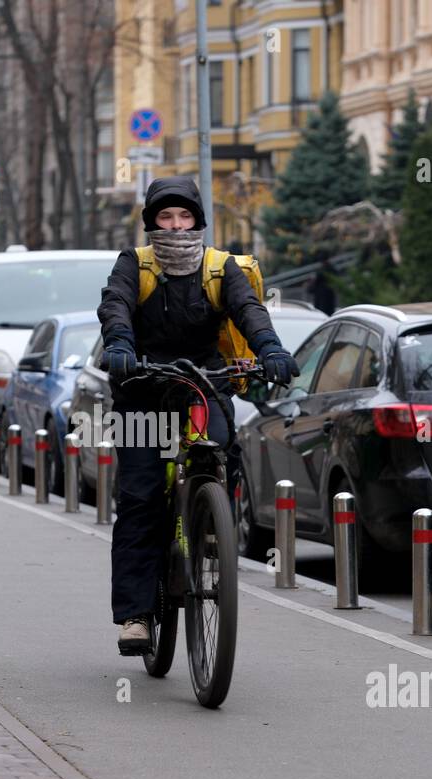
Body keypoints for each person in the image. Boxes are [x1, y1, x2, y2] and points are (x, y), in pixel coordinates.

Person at [96, 176, 299, 655]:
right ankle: (135, 616)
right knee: (141, 496)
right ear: (151, 223)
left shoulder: (219, 268)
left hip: (204, 383)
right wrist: (120, 345)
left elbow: (249, 310)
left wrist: (271, 350)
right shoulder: (135, 264)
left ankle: (212, 527)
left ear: (198, 220)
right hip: (143, 384)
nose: (176, 226)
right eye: (165, 217)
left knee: (218, 451)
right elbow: (115, 305)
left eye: (184, 216)